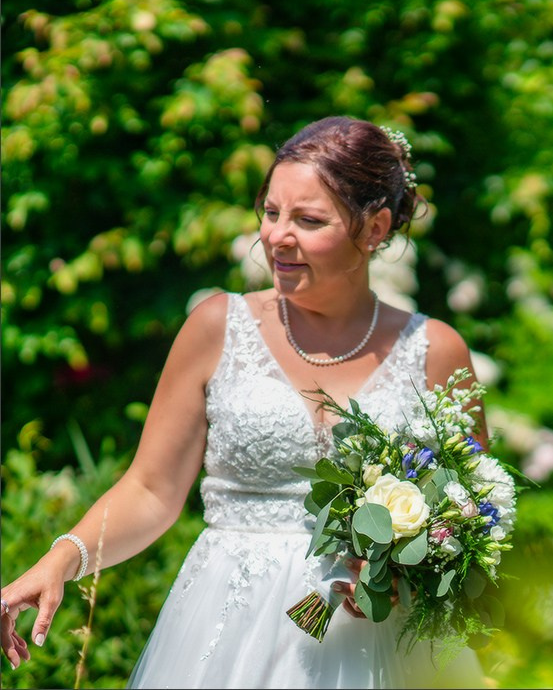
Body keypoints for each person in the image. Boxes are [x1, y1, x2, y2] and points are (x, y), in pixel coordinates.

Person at [1, 116, 486, 688]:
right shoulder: (216, 326)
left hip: (383, 641)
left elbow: (473, 517)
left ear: (375, 227)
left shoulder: (435, 350)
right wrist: (63, 557)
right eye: (271, 211)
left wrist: (411, 574)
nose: (277, 236)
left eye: (308, 220)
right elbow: (152, 490)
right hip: (228, 627)